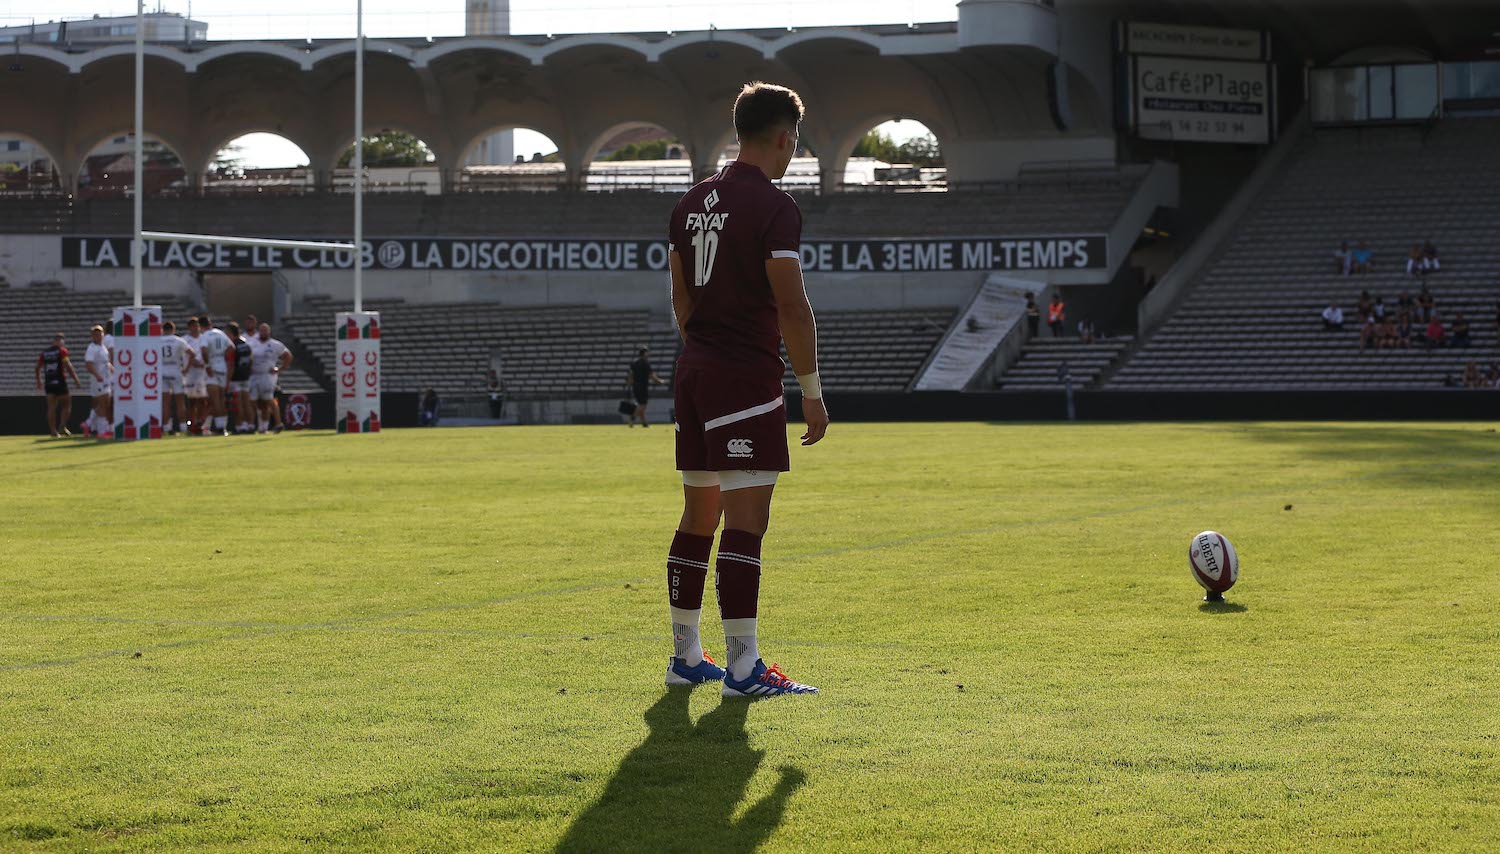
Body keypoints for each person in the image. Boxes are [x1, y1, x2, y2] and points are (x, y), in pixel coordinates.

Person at [663, 80, 825, 698]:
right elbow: (792, 304)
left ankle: (686, 656)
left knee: (698, 515)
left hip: (695, 373)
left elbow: (679, 295)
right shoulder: (774, 206)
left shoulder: (688, 204)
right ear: (784, 137)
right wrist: (810, 388)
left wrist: (703, 346)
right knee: (747, 521)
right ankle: (743, 668)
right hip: (744, 378)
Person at [35, 332, 80, 438]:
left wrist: (39, 381)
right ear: (58, 341)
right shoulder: (62, 351)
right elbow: (68, 366)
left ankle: (53, 431)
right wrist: (76, 379)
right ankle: (62, 426)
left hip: (49, 383)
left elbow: (37, 367)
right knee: (67, 404)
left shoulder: (44, 353)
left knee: (51, 407)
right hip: (60, 382)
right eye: (61, 340)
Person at [248, 323, 291, 434]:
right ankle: (258, 426)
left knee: (268, 400)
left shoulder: (275, 344)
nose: (263, 333)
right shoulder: (252, 343)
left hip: (267, 375)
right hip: (254, 375)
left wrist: (280, 369)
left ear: (269, 332)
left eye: (265, 330)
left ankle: (278, 423)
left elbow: (287, 356)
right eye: (261, 330)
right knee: (255, 402)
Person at [199, 316, 234, 436]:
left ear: (201, 326)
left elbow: (204, 351)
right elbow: (231, 348)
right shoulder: (220, 333)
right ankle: (222, 426)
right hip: (222, 367)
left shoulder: (204, 336)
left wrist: (208, 365)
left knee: (215, 400)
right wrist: (223, 356)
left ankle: (220, 428)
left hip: (212, 368)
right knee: (221, 399)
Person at [158, 320, 191, 435]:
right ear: (173, 330)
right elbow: (191, 353)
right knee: (180, 401)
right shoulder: (179, 341)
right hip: (176, 371)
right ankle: (183, 427)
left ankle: (167, 428)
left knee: (165, 402)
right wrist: (186, 368)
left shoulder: (158, 341)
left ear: (163, 330)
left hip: (162, 372)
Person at [82, 325, 112, 438]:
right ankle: (101, 430)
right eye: (95, 334)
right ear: (92, 336)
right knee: (103, 404)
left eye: (100, 333)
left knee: (105, 403)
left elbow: (106, 363)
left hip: (106, 378)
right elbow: (88, 364)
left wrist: (112, 369)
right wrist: (97, 375)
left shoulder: (103, 347)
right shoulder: (92, 348)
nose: (98, 336)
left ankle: (88, 423)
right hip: (98, 380)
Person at [226, 322, 255, 433]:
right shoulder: (246, 344)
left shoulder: (232, 346)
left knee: (238, 403)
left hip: (236, 378)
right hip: (246, 377)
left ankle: (240, 426)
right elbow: (251, 360)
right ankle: (251, 425)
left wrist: (228, 380)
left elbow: (231, 364)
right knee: (247, 402)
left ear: (230, 333)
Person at [182, 316, 209, 434]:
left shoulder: (204, 338)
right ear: (189, 327)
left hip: (203, 373)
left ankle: (201, 423)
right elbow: (185, 355)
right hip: (191, 373)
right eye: (193, 326)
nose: (195, 328)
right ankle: (191, 424)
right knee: (192, 400)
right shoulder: (185, 340)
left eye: (197, 326)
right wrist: (193, 363)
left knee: (203, 400)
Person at [626, 347, 665, 427]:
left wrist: (629, 386)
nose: (649, 354)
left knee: (641, 404)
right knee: (642, 405)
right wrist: (659, 381)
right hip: (642, 386)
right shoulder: (645, 363)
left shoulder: (634, 363)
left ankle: (644, 423)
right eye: (647, 352)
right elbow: (651, 375)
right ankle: (632, 419)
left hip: (635, 387)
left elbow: (630, 376)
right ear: (644, 353)